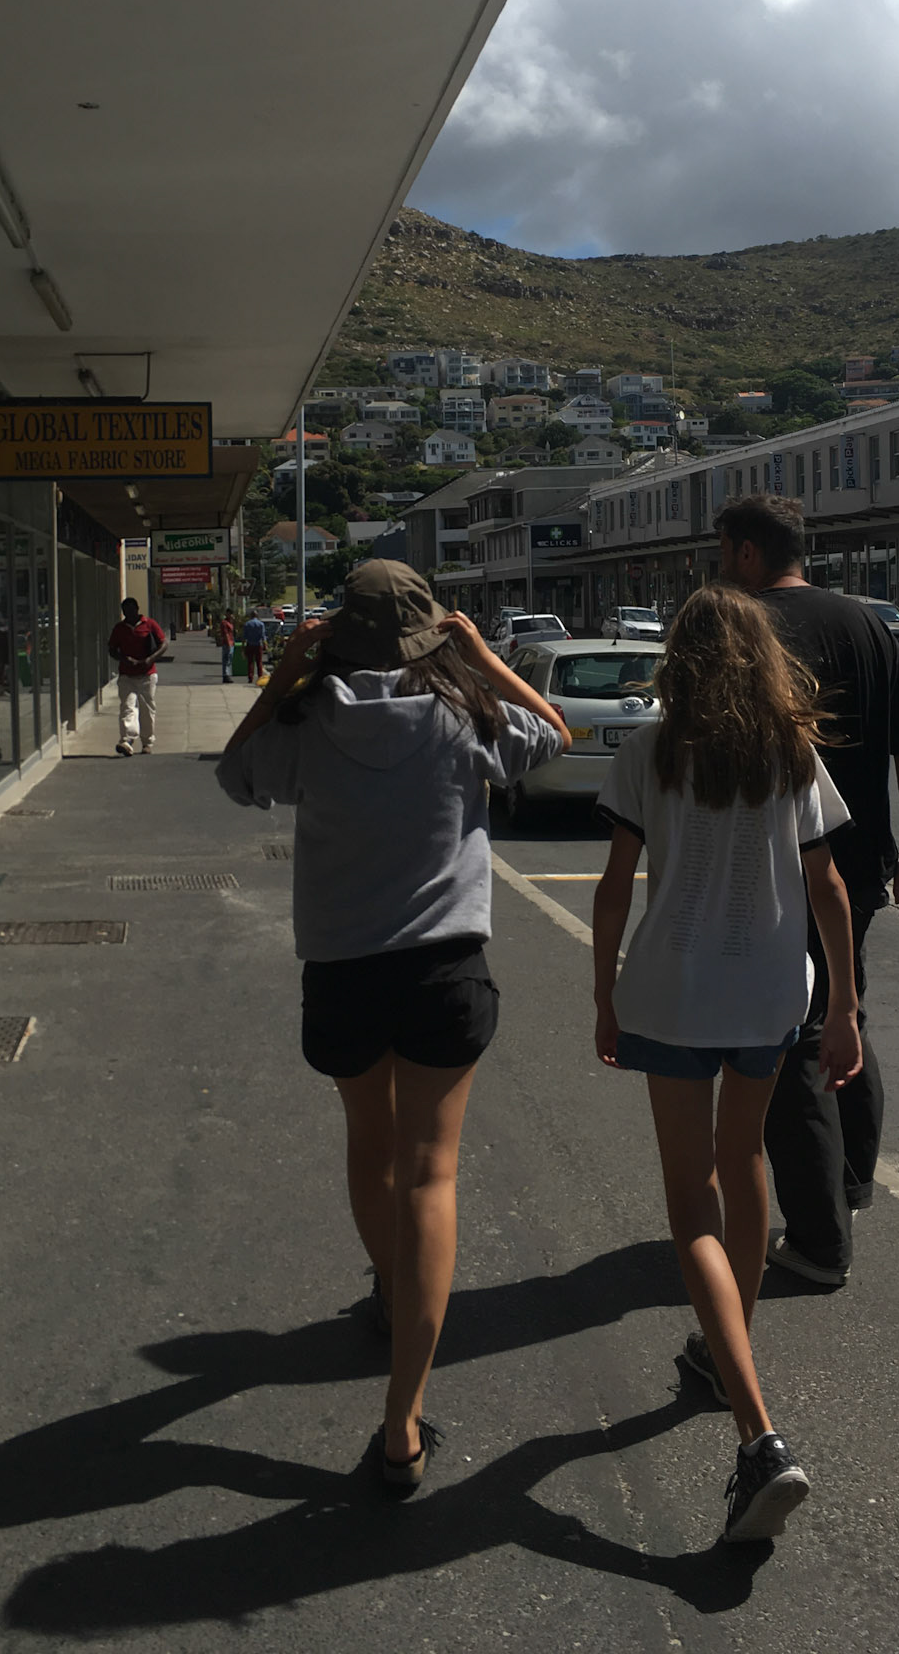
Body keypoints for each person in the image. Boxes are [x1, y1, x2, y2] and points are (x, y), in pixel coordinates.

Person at [215, 561, 570, 1491]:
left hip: (343, 970)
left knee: (370, 1147)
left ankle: (393, 1284)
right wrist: (485, 659)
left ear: (338, 636)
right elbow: (555, 732)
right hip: (443, 970)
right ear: (432, 635)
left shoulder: (309, 720)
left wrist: (286, 675)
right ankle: (402, 1421)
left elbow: (236, 774)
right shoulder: (465, 716)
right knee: (431, 1172)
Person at [592, 584, 858, 1544]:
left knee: (690, 1200)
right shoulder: (792, 754)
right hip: (769, 996)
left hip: (672, 994)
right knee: (745, 1162)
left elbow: (615, 888)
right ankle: (725, 1348)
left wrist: (602, 993)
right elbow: (828, 886)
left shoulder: (648, 753)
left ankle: (759, 1437)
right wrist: (845, 1007)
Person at [716, 495, 899, 1286]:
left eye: (724, 552)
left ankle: (817, 1240)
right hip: (862, 862)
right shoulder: (865, 623)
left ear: (748, 552)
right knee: (845, 1010)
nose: (721, 566)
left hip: (779, 870)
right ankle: (850, 1182)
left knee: (795, 1040)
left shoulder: (744, 630)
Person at [107, 598, 169, 757]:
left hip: (147, 674)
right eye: (125, 610)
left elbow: (164, 644)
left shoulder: (149, 624)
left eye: (131, 609)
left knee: (147, 709)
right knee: (127, 707)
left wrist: (150, 659)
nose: (128, 613)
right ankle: (126, 740)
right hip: (126, 674)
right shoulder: (119, 628)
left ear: (137, 609)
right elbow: (112, 649)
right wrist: (123, 658)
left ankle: (147, 742)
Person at [240, 605, 269, 685]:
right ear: (257, 616)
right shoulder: (261, 624)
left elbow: (244, 636)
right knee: (259, 662)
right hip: (258, 645)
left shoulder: (247, 624)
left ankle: (250, 677)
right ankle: (260, 677)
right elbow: (263, 636)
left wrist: (243, 646)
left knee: (250, 662)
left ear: (251, 616)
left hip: (250, 644)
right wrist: (265, 644)